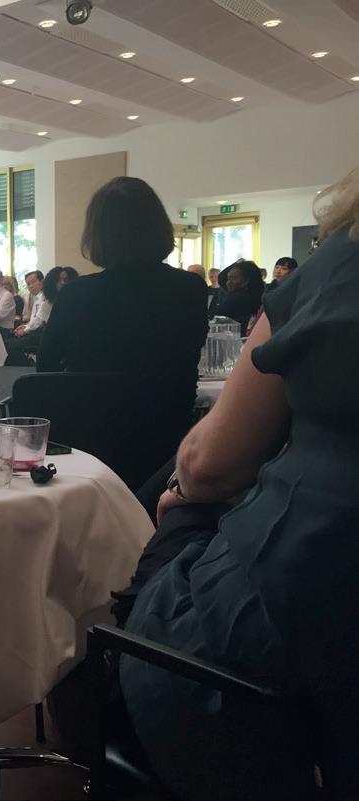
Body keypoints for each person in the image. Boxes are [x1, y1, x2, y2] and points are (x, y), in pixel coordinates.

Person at [113, 164, 359, 799]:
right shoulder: (183, 291)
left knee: (175, 499)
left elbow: (210, 465)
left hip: (291, 621)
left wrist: (183, 494)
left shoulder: (334, 269)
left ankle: (98, 687)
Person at [36, 177, 207, 479]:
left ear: (97, 233)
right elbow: (186, 361)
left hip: (89, 447)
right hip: (166, 443)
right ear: (158, 227)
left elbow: (46, 370)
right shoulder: (190, 289)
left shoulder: (76, 294)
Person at [3, 269, 50, 366]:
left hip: (41, 334)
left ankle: (27, 367)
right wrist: (25, 326)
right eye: (28, 284)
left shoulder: (45, 298)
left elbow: (39, 321)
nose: (30, 286)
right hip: (34, 330)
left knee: (8, 345)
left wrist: (25, 330)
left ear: (42, 281)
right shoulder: (37, 298)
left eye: (33, 282)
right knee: (7, 341)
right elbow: (34, 319)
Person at [214, 259, 264, 330]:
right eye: (228, 279)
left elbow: (217, 315)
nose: (228, 283)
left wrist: (236, 264)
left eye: (233, 278)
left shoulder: (237, 297)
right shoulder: (258, 296)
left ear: (246, 281)